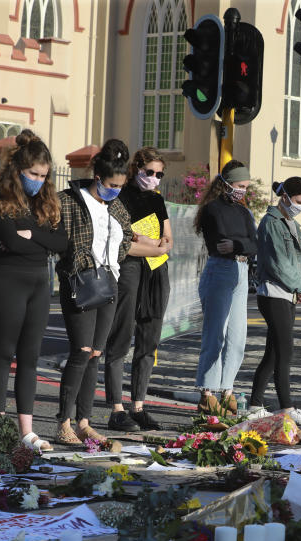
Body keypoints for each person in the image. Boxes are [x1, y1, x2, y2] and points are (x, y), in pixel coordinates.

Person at [53, 139, 159, 445]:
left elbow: (125, 238)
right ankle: (63, 422)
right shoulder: (70, 200)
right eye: (112, 184)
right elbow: (57, 235)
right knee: (81, 351)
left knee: (96, 354)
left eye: (120, 185)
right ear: (98, 177)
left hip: (110, 282)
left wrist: (146, 243)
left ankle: (84, 423)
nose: (116, 190)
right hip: (82, 282)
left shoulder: (116, 205)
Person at [0, 130, 68, 453]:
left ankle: (26, 432)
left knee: (30, 358)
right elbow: (12, 243)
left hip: (38, 283)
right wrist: (38, 240)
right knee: (4, 355)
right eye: (33, 173)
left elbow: (62, 243)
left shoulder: (46, 203)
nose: (38, 180)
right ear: (18, 169)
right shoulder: (0, 201)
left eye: (44, 175)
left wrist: (32, 234)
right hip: (8, 281)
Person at [104, 147, 172, 432]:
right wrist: (150, 243)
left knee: (149, 341)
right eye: (149, 173)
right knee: (120, 339)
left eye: (159, 174)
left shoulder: (157, 199)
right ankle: (117, 409)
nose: (154, 178)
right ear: (136, 170)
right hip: (129, 270)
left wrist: (151, 243)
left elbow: (168, 241)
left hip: (157, 271)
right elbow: (124, 242)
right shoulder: (121, 197)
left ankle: (139, 406)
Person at [244, 177, 301, 421]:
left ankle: (255, 405)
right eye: (298, 202)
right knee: (285, 350)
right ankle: (287, 407)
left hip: (289, 295)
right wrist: (300, 284)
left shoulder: (293, 225)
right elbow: (278, 264)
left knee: (274, 352)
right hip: (273, 294)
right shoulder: (271, 223)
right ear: (284, 197)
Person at [193, 160, 257, 416]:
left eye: (246, 186)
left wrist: (239, 245)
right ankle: (207, 392)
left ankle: (227, 390)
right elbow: (221, 240)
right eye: (240, 186)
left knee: (237, 337)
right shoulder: (212, 209)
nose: (243, 190)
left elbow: (255, 243)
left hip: (241, 270)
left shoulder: (243, 211)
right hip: (220, 269)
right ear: (227, 183)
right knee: (215, 334)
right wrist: (242, 244)